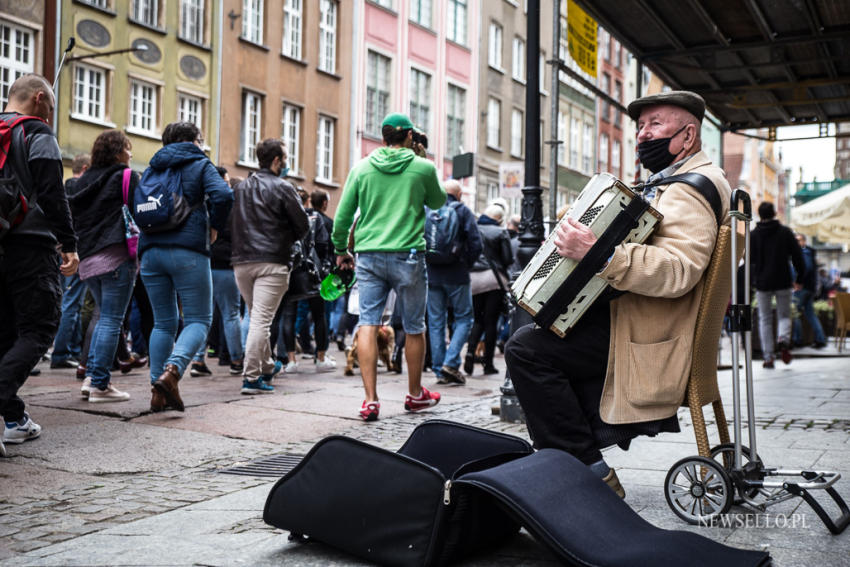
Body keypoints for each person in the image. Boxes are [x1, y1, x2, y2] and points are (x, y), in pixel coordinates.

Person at [505, 91, 732, 498]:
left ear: (689, 134)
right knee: (542, 322)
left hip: (655, 337)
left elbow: (679, 271)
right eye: (640, 127)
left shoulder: (691, 189)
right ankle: (571, 456)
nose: (643, 135)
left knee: (528, 349)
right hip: (647, 322)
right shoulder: (681, 182)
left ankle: (587, 473)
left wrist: (600, 253)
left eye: (656, 125)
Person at [332, 112, 445, 421]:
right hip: (408, 254)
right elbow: (438, 202)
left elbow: (343, 215)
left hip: (368, 254)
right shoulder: (422, 167)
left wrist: (341, 249)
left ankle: (370, 400)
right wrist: (421, 160)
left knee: (367, 321)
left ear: (382, 138)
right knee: (413, 326)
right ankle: (414, 394)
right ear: (409, 137)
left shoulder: (362, 167)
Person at [1, 74, 79, 455]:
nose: (51, 112)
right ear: (37, 98)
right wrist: (69, 243)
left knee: (4, 335)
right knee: (39, 328)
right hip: (30, 245)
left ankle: (15, 420)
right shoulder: (37, 133)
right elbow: (52, 191)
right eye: (50, 103)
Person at [139, 122, 233, 412]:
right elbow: (224, 195)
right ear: (193, 141)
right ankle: (173, 371)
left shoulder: (151, 168)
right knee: (199, 320)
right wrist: (215, 227)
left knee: (163, 322)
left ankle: (159, 391)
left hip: (150, 251)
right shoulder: (200, 163)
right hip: (188, 250)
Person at [231, 139, 308, 394]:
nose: (286, 163)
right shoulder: (283, 187)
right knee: (261, 320)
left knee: (256, 317)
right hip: (272, 261)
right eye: (285, 158)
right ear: (276, 160)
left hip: (242, 261)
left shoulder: (241, 188)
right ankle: (251, 378)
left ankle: (266, 365)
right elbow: (303, 226)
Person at [69, 130, 139, 402]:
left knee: (103, 318)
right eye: (128, 149)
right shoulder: (125, 177)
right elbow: (139, 213)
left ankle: (91, 379)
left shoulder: (80, 182)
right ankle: (100, 384)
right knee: (111, 319)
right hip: (116, 257)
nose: (130, 154)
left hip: (87, 262)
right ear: (119, 152)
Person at [190, 166, 244, 377]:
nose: (229, 185)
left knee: (203, 315)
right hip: (225, 264)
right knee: (231, 313)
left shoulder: (200, 201)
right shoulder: (229, 205)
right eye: (227, 181)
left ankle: (197, 361)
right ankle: (237, 360)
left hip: (203, 262)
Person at [750, 201, 804, 368]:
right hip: (783, 280)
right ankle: (783, 338)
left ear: (760, 215)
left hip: (762, 283)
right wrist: (799, 278)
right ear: (774, 213)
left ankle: (768, 357)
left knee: (764, 319)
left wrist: (754, 279)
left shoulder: (753, 235)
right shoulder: (785, 232)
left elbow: (749, 261)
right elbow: (798, 257)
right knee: (784, 315)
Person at [51, 153, 91, 369]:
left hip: (60, 249)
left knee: (70, 299)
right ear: (85, 168)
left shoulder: (64, 186)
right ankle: (62, 352)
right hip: (77, 249)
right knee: (73, 301)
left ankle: (71, 350)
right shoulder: (82, 187)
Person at [465, 204, 513, 376]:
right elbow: (508, 259)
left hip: (473, 280)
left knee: (477, 319)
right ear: (499, 218)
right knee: (491, 321)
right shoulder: (500, 232)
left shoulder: (473, 228)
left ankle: (470, 353)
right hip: (493, 280)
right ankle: (488, 363)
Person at [792, 234, 827, 349]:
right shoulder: (809, 252)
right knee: (810, 314)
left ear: (804, 241)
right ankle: (820, 339)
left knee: (794, 312)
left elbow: (806, 268)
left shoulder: (804, 252)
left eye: (799, 240)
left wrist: (798, 281)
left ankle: (798, 340)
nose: (797, 242)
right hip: (809, 288)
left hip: (802, 288)